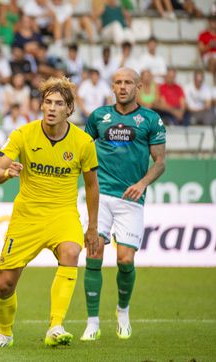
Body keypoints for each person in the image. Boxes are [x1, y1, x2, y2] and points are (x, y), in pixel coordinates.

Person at [0, 76, 100, 348]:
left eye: (58, 103)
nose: (51, 108)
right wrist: (7, 174)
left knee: (71, 252)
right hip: (27, 216)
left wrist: (92, 227)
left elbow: (92, 186)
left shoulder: (83, 143)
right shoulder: (23, 135)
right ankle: (5, 332)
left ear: (69, 109)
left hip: (63, 214)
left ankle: (56, 325)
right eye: (47, 102)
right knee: (5, 285)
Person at [81, 67, 166, 341]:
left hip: (131, 199)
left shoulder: (151, 120)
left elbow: (160, 163)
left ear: (138, 87)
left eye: (128, 82)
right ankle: (92, 323)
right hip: (101, 196)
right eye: (118, 82)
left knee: (125, 259)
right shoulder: (98, 117)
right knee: (93, 252)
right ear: (112, 87)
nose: (122, 86)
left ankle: (123, 311)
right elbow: (84, 150)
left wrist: (142, 184)